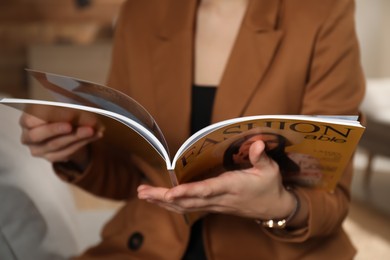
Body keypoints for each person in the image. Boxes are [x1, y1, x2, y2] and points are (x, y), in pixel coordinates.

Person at [19, 0, 365, 259]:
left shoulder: (322, 12)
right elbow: (132, 178)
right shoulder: (141, 12)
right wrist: (76, 150)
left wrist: (278, 206)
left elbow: (331, 203)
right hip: (146, 247)